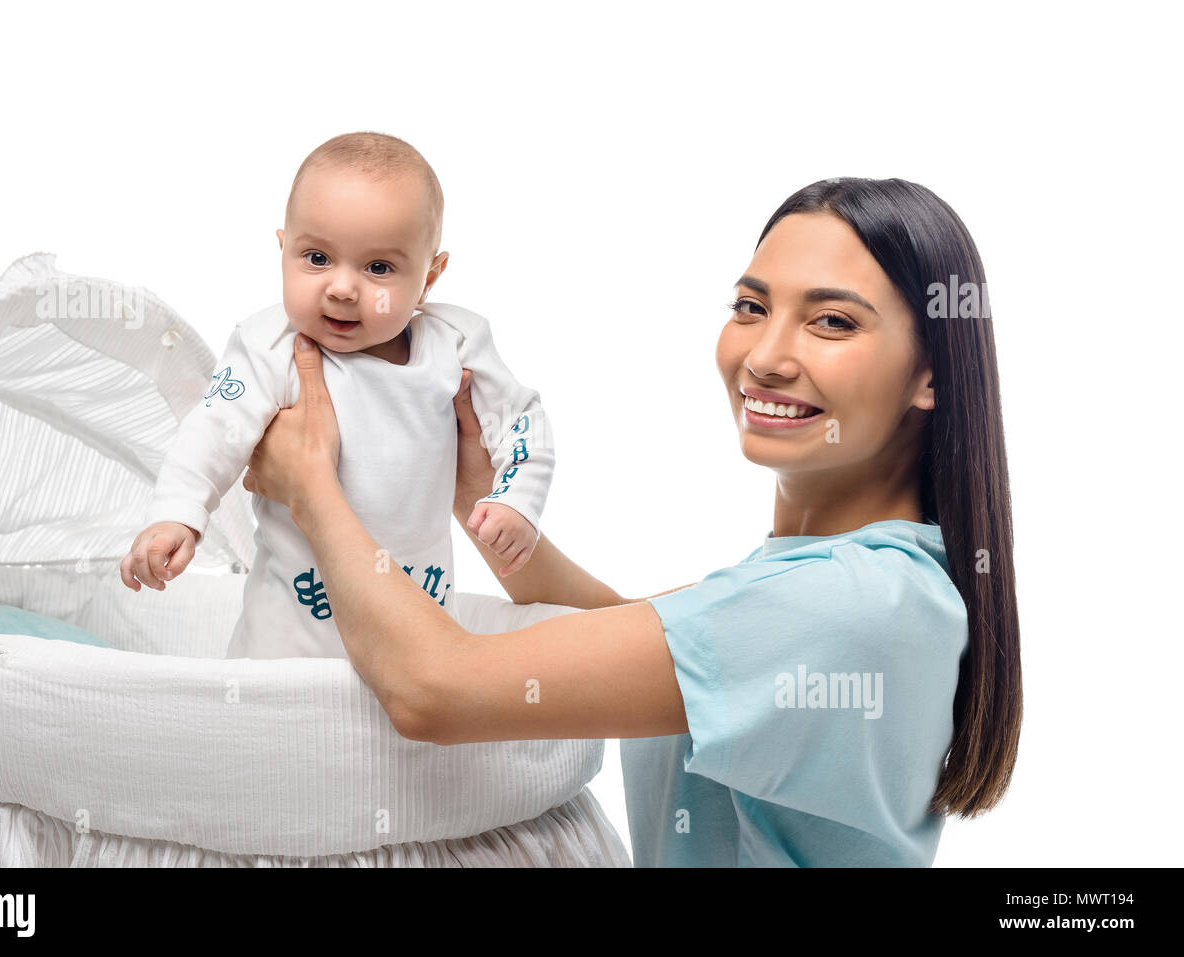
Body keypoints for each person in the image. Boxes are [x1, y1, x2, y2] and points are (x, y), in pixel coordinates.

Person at [238, 177, 1023, 866]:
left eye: (832, 323)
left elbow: (434, 692)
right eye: (752, 307)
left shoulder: (850, 604)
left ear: (930, 374)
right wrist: (479, 500)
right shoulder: (864, 581)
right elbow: (636, 646)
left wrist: (312, 487)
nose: (766, 357)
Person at [118, 132, 553, 659]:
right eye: (317, 257)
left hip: (419, 628)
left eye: (378, 268)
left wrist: (515, 498)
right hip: (287, 643)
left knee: (417, 717)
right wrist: (177, 514)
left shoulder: (453, 346)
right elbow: (211, 429)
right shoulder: (271, 347)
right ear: (284, 250)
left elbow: (520, 419)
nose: (343, 288)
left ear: (430, 276)